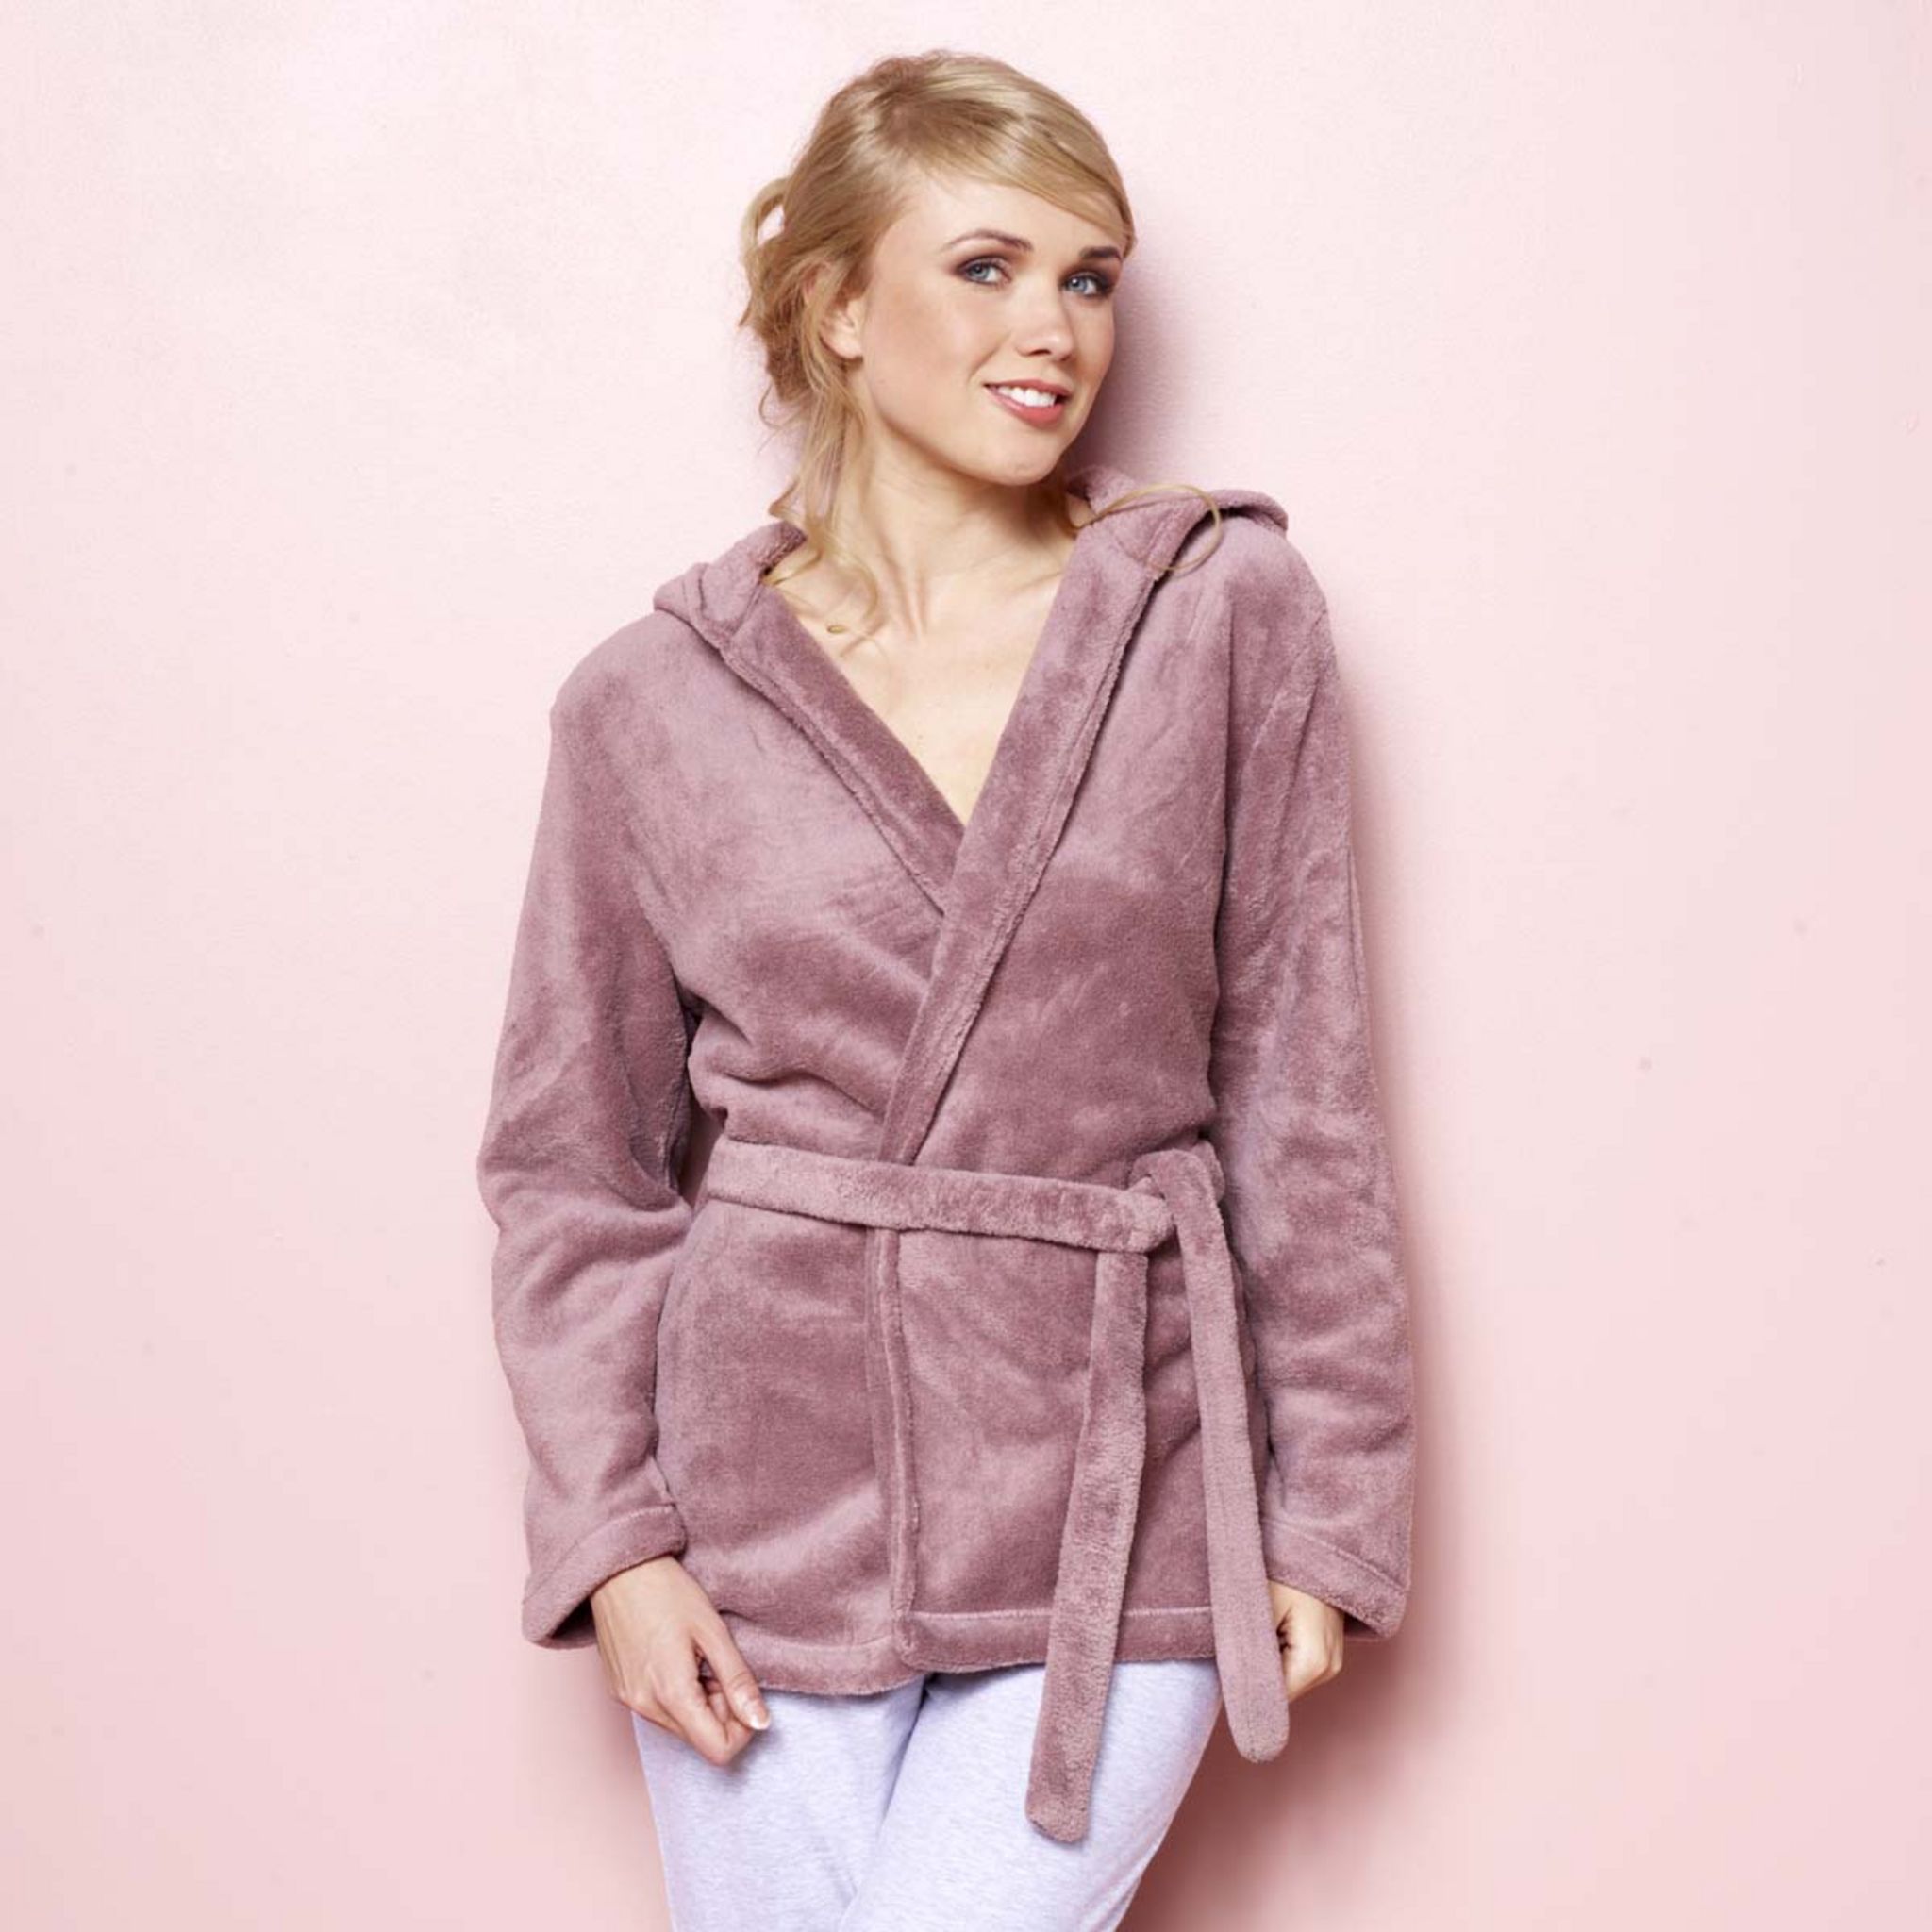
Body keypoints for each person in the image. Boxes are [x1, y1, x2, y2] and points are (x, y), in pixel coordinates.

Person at [475, 49, 1416, 1932]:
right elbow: (572, 1169)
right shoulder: (648, 704)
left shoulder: (1217, 617)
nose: (1054, 328)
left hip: (1122, 1474)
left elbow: (1300, 1088)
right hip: (766, 1503)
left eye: (1089, 277)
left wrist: (1333, 1503)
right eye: (986, 266)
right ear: (839, 306)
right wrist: (618, 1540)